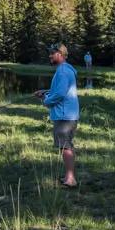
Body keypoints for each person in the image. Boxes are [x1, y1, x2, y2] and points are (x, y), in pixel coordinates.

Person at [33, 43, 79, 187]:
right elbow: (59, 90)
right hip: (65, 114)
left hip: (65, 116)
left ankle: (71, 179)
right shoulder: (64, 70)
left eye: (52, 54)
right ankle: (68, 177)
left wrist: (46, 100)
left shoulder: (63, 72)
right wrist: (45, 92)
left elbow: (59, 94)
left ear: (59, 54)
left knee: (65, 146)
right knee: (64, 146)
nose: (50, 56)